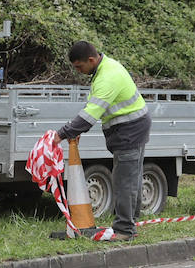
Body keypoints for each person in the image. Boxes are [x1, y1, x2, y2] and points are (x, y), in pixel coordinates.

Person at [52, 41, 150, 240]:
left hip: (129, 130)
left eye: (80, 67)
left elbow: (91, 114)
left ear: (91, 59)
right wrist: (75, 130)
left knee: (124, 181)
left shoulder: (107, 77)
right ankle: (130, 223)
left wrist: (61, 134)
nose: (79, 71)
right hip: (134, 126)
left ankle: (124, 230)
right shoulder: (105, 68)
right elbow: (94, 107)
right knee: (131, 178)